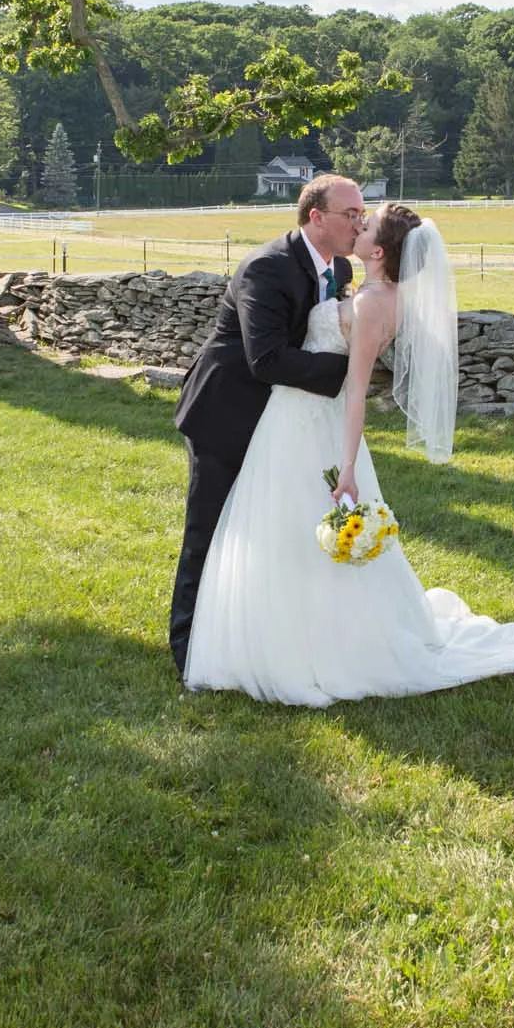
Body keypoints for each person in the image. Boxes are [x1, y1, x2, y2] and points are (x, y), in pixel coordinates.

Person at [184, 205, 514, 705]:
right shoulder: (365, 287)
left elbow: (355, 390)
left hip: (309, 422)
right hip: (293, 416)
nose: (359, 226)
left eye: (368, 224)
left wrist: (349, 468)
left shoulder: (370, 303)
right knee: (282, 526)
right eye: (356, 217)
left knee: (285, 524)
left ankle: (296, 642)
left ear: (378, 250)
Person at [170, 174, 363, 675]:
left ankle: (257, 635)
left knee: (270, 530)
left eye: (362, 215)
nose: (359, 225)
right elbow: (267, 359)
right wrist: (350, 373)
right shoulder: (267, 267)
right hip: (227, 412)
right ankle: (188, 648)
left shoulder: (341, 267)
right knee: (209, 529)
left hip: (286, 423)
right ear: (315, 217)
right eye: (350, 215)